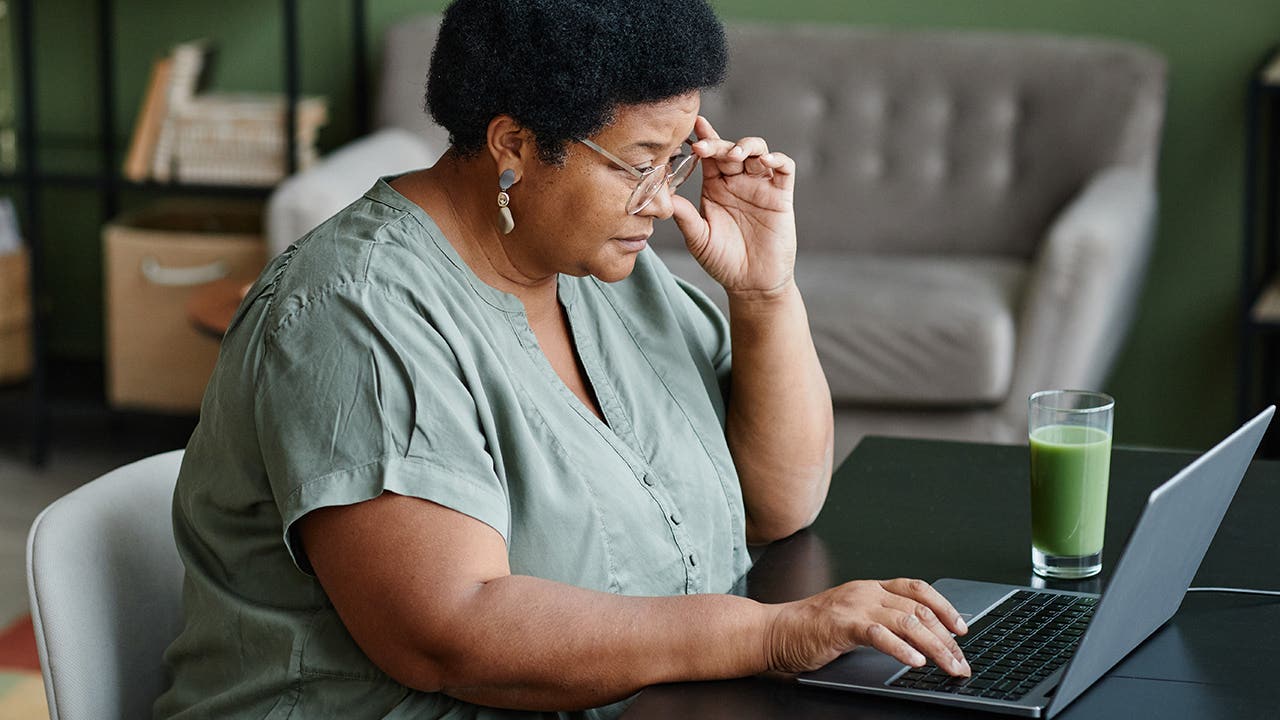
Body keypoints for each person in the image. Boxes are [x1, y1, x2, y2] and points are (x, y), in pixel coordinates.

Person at [155, 1, 970, 718]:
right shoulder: (352, 312)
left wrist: (765, 295)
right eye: (639, 162)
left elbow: (780, 507)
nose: (664, 197)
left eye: (679, 156)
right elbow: (451, 634)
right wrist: (771, 632)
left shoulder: (604, 269)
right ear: (513, 143)